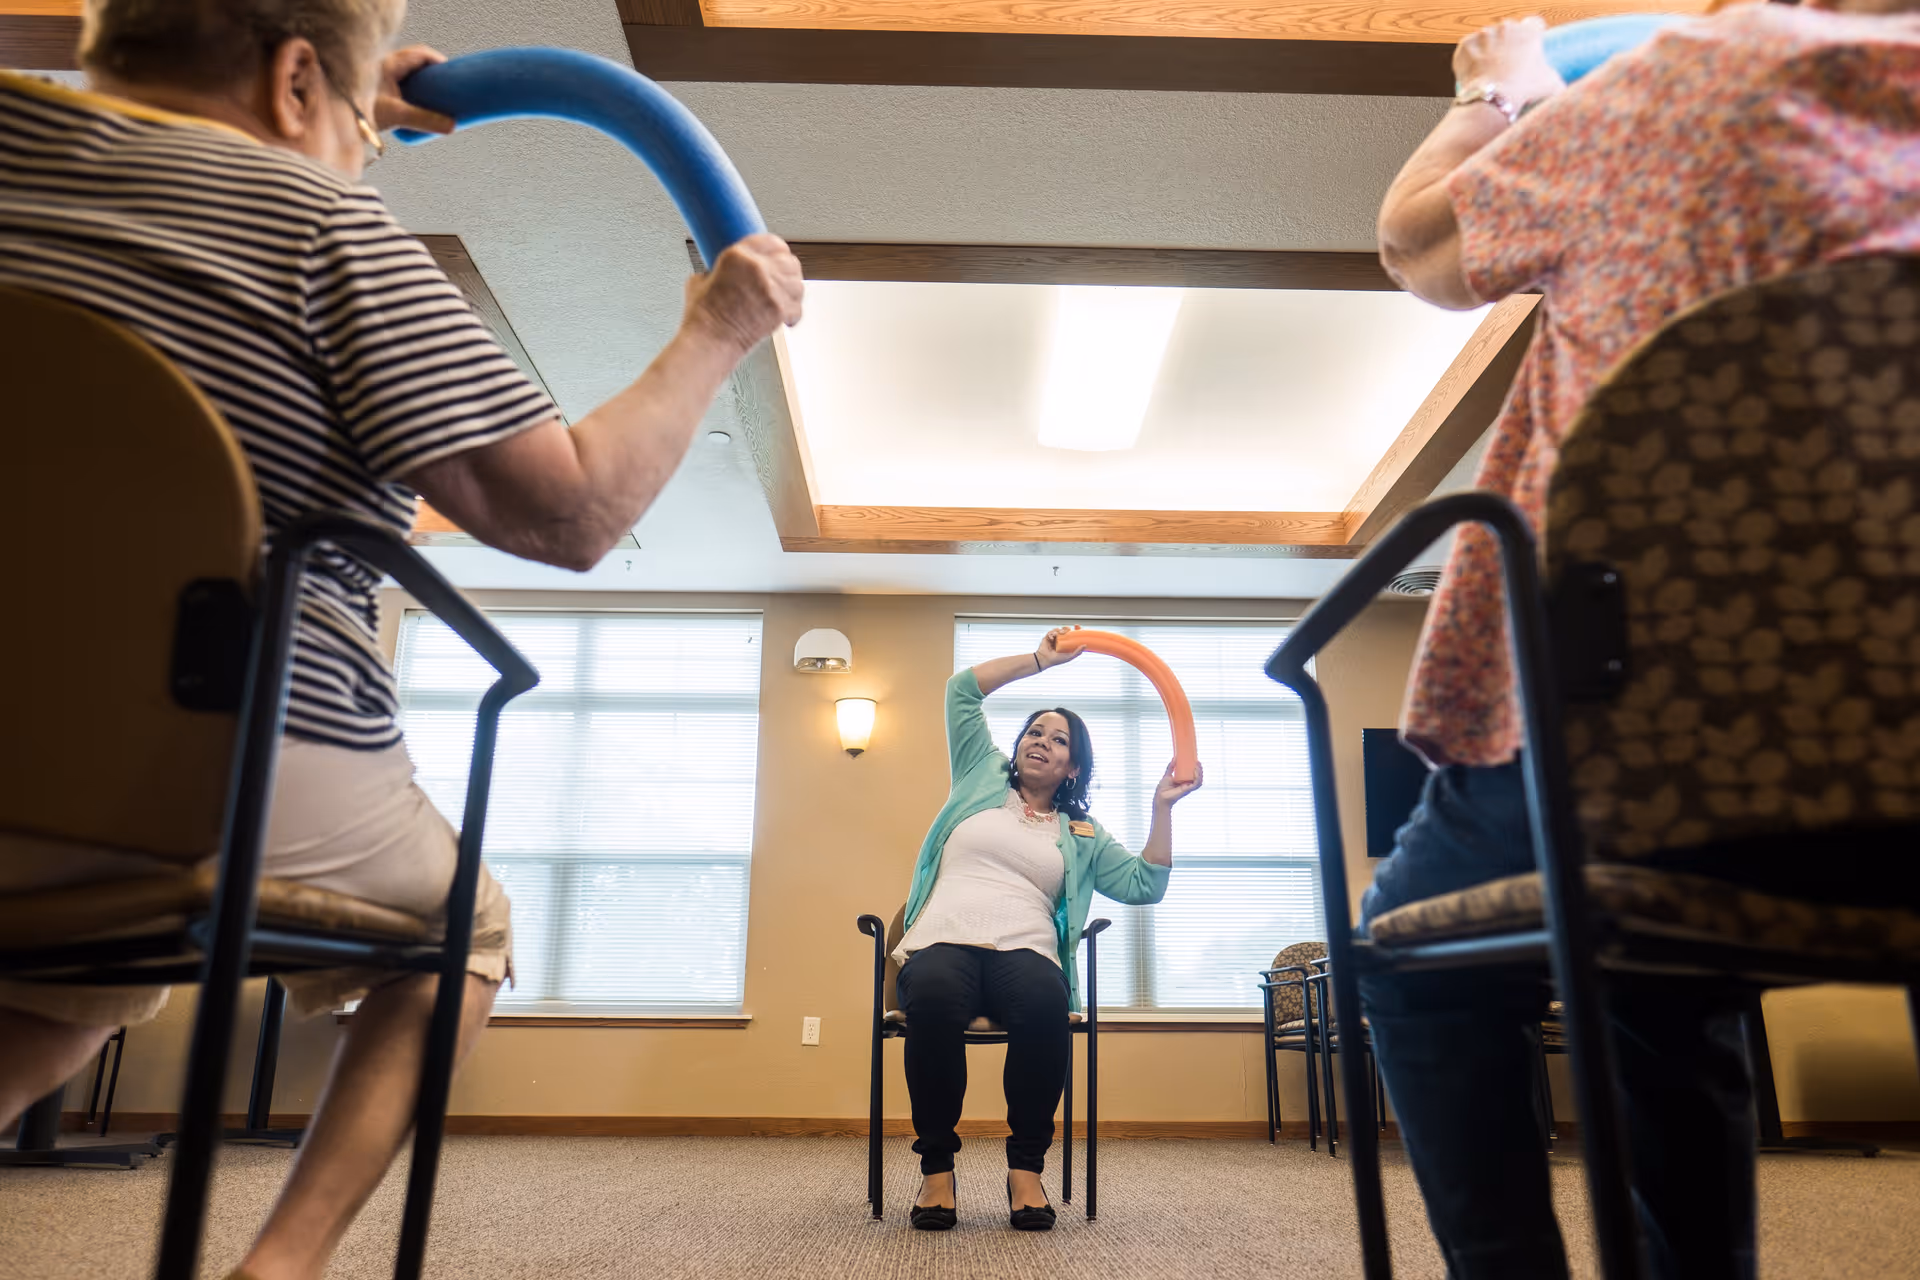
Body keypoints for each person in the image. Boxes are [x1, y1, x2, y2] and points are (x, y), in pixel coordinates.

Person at [0, 0, 801, 1276]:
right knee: (466, 929)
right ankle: (284, 1261)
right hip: (208, 756)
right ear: (296, 74)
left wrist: (346, 108)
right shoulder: (317, 225)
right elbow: (570, 512)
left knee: (56, 973)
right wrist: (720, 323)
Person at [1364, 1, 1920, 1276]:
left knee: (1417, 942)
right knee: (1658, 976)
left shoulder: (1689, 86)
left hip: (1653, 741)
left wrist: (1497, 92)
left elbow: (1417, 243)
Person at [894, 627, 1202, 1231]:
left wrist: (1163, 808)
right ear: (1018, 747)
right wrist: (1041, 661)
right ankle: (936, 1170)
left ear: (1072, 766)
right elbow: (961, 691)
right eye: (1035, 731)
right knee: (930, 999)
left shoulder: (1082, 833)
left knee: (1043, 1003)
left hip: (1027, 950)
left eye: (1059, 739)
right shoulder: (979, 777)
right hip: (943, 938)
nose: (1043, 741)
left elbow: (1147, 884)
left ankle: (1026, 1169)